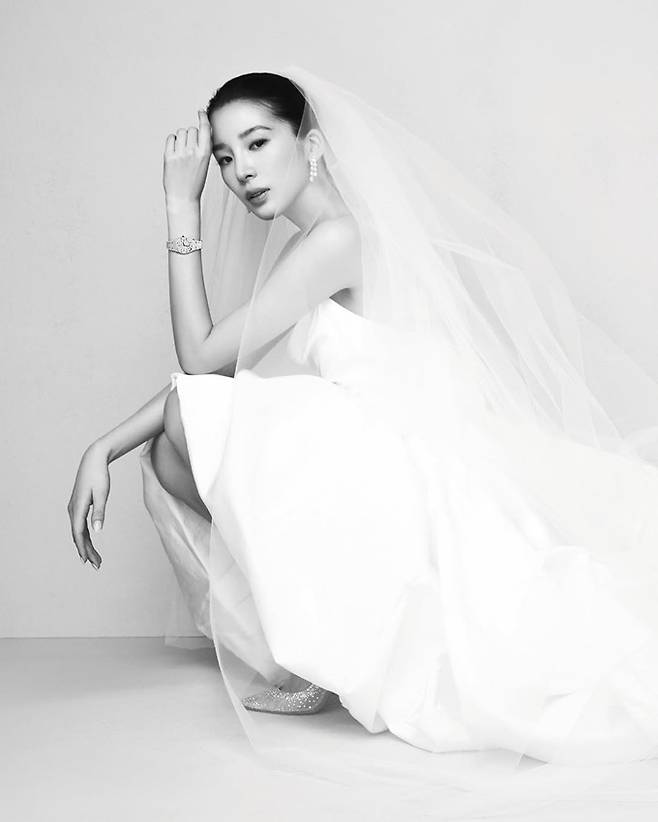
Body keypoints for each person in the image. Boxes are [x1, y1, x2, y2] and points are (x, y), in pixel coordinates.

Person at [68, 67, 658, 806]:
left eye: (257, 143)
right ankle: (319, 646)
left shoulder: (336, 238)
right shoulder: (319, 239)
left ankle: (324, 652)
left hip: (402, 468)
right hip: (376, 459)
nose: (240, 169)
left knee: (190, 424)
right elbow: (217, 373)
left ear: (311, 145)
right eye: (222, 157)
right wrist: (106, 444)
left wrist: (178, 205)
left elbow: (200, 363)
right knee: (169, 448)